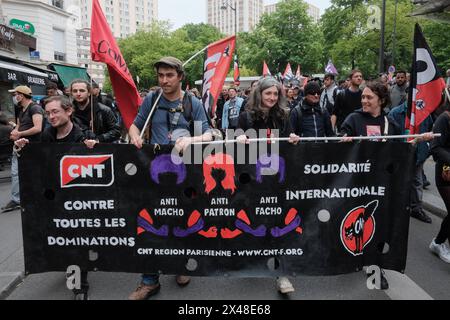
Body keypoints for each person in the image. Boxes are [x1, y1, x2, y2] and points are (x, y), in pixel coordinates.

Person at [128, 56, 214, 300]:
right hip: (155, 172)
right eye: (160, 76)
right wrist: (134, 136)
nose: (164, 80)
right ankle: (149, 280)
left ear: (180, 77)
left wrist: (191, 139)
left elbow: (210, 134)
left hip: (184, 174)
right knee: (149, 224)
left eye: (169, 75)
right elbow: (136, 125)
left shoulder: (192, 103)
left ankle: (180, 265)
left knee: (182, 222)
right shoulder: (151, 100)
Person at [13, 95, 96, 299]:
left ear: (68, 111)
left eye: (55, 111)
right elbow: (35, 161)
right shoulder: (46, 135)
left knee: (77, 243)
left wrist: (95, 147)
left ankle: (79, 287)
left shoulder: (83, 135)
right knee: (64, 241)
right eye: (48, 113)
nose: (50, 116)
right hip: (55, 200)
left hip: (79, 200)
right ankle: (73, 266)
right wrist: (21, 148)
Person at [236, 77, 297, 294]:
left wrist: (293, 138)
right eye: (268, 93)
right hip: (252, 180)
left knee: (278, 224)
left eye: (275, 94)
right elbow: (234, 142)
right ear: (259, 94)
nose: (272, 98)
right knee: (253, 222)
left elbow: (291, 139)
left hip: (277, 179)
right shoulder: (245, 117)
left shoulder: (284, 116)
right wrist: (239, 137)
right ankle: (249, 262)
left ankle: (281, 274)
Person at [388, 101, 433, 223]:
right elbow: (390, 136)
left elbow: (429, 129)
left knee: (417, 182)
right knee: (397, 182)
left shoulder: (425, 113)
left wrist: (425, 148)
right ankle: (394, 208)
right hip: (400, 155)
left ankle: (416, 209)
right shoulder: (395, 113)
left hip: (417, 154)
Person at [1, 86, 44, 213]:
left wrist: (20, 134)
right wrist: (14, 132)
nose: (15, 97)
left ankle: (26, 198)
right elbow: (19, 126)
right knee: (16, 173)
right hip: (20, 145)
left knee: (31, 173)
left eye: (16, 94)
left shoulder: (35, 108)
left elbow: (38, 128)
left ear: (22, 95)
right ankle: (18, 199)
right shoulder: (22, 110)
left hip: (31, 145)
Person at [70, 79, 121, 145]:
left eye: (82, 91)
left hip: (100, 150)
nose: (78, 94)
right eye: (75, 91)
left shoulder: (103, 110)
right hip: (76, 150)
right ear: (71, 93)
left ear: (89, 93)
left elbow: (116, 131)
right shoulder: (68, 112)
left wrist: (98, 139)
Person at [429, 110, 450, 263]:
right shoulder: (444, 118)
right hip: (446, 173)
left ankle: (438, 242)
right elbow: (435, 147)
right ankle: (438, 243)